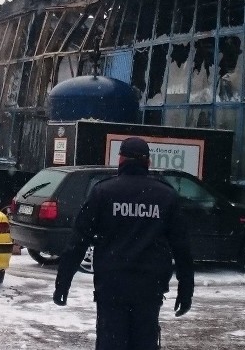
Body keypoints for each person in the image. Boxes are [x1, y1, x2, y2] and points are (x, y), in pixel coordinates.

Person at [53, 136, 194, 350]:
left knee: (111, 343)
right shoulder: (166, 196)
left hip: (111, 287)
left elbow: (78, 241)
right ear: (148, 162)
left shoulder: (103, 192)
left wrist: (63, 283)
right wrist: (186, 290)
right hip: (149, 289)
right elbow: (182, 248)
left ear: (121, 160)